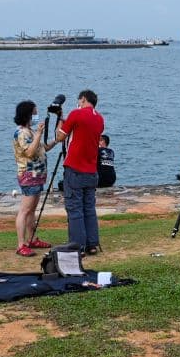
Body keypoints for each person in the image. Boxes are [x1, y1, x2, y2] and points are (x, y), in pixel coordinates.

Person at [56, 89, 105, 254]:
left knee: (74, 208)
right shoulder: (99, 119)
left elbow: (60, 137)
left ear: (83, 99)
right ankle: (92, 244)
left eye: (79, 100)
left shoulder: (76, 114)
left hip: (75, 168)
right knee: (89, 208)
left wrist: (60, 121)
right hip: (91, 170)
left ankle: (77, 246)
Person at [13, 100, 59, 257]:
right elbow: (30, 152)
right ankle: (21, 244)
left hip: (38, 176)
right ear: (27, 114)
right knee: (25, 210)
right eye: (34, 112)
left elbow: (42, 148)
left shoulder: (30, 131)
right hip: (28, 175)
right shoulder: (21, 133)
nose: (36, 115)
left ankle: (31, 239)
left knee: (32, 210)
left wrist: (56, 140)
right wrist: (39, 133)